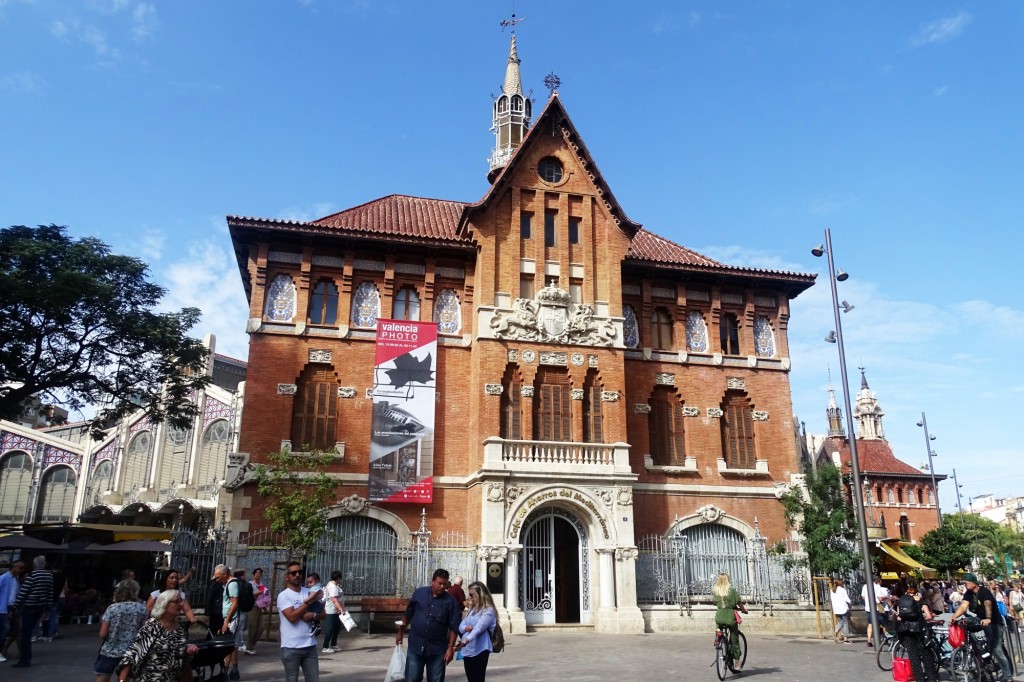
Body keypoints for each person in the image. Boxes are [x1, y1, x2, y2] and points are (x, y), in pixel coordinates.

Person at [116, 590, 199, 682]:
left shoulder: (180, 626)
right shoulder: (152, 626)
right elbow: (133, 655)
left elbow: (179, 654)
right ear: (165, 604)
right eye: (176, 601)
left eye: (181, 601)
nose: (181, 604)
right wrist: (122, 680)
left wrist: (188, 649)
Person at [397, 568, 462, 682]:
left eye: (444, 584)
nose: (442, 586)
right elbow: (408, 614)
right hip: (416, 646)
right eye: (439, 583)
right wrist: (400, 632)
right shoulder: (419, 593)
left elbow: (453, 626)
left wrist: (450, 648)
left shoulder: (450, 601)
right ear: (432, 581)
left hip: (438, 650)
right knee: (412, 679)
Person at [953, 573, 1013, 682]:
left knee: (997, 650)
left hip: (993, 622)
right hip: (980, 620)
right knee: (964, 623)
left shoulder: (984, 592)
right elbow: (963, 606)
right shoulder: (968, 593)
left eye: (966, 583)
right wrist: (954, 617)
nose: (964, 585)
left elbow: (988, 605)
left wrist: (988, 618)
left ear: (973, 583)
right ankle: (978, 649)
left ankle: (1008, 676)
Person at [95, 579, 148, 682]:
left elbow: (103, 634)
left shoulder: (112, 608)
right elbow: (144, 631)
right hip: (130, 652)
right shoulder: (142, 609)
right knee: (124, 679)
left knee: (102, 677)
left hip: (110, 650)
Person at [278, 561, 322, 682]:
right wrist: (308, 603)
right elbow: (292, 618)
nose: (297, 575)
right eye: (293, 573)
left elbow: (324, 614)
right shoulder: (283, 596)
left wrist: (312, 614)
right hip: (291, 647)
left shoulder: (308, 591)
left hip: (310, 646)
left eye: (300, 572)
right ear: (287, 576)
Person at [12, 555, 53, 668]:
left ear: (35, 565)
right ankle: (25, 658)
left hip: (29, 606)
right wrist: (47, 607)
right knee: (28, 631)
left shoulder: (32, 576)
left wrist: (16, 606)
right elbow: (50, 592)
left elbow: (24, 592)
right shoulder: (49, 576)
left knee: (25, 634)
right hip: (41, 607)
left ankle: (25, 659)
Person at [895, 579, 938, 682]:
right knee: (926, 653)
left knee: (913, 656)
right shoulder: (920, 600)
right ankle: (932, 677)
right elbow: (928, 616)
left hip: (906, 630)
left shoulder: (902, 600)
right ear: (916, 589)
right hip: (919, 629)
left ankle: (919, 678)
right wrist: (922, 618)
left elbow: (899, 617)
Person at [454, 581, 496, 682]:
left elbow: (478, 628)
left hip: (480, 649)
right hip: (469, 650)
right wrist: (466, 628)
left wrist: (464, 642)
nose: (471, 598)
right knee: (470, 678)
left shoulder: (488, 610)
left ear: (480, 594)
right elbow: (461, 626)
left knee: (478, 678)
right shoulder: (473, 609)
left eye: (472, 595)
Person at [712, 572, 748, 671]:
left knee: (719, 624)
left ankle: (718, 637)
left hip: (719, 617)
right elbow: (740, 603)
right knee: (734, 639)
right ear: (728, 580)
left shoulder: (715, 591)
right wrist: (744, 610)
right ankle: (737, 662)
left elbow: (715, 602)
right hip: (730, 618)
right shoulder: (732, 591)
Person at [213, 565, 241, 680]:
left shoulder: (232, 584)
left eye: (218, 577)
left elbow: (235, 603)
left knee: (227, 646)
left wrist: (226, 621)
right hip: (230, 619)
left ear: (225, 574)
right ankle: (234, 671)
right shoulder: (228, 584)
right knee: (232, 646)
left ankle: (225, 673)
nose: (217, 580)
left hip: (232, 620)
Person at [0, 560, 25, 662]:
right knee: (6, 628)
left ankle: (4, 650)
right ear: (14, 567)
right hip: (3, 608)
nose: (22, 570)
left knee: (14, 630)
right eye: (20, 568)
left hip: (12, 607)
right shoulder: (4, 578)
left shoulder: (16, 579)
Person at [244, 567, 271, 655]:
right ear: (253, 574)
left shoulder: (262, 585)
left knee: (261, 627)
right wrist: (257, 593)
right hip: (252, 607)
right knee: (252, 627)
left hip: (259, 608)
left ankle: (251, 645)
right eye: (256, 572)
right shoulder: (250, 584)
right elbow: (247, 594)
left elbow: (263, 598)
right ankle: (249, 647)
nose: (257, 574)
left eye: (259, 572)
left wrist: (264, 608)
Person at [321, 570, 348, 654]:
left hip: (335, 611)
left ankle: (333, 644)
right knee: (330, 628)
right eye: (340, 578)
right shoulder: (332, 587)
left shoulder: (334, 585)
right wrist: (341, 610)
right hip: (331, 611)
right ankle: (325, 646)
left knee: (336, 627)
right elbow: (334, 599)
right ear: (338, 578)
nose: (341, 580)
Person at [862, 575, 891, 646]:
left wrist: (868, 602)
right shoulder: (878, 587)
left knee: (870, 624)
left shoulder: (865, 586)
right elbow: (880, 598)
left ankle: (869, 640)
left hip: (869, 608)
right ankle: (888, 639)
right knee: (884, 624)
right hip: (879, 608)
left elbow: (863, 596)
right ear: (878, 580)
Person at [829, 578, 852, 643]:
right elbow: (847, 599)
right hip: (843, 608)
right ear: (841, 583)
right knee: (845, 623)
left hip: (836, 609)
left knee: (840, 622)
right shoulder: (842, 590)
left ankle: (835, 632)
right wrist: (850, 603)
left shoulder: (833, 590)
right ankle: (846, 639)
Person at [304, 573, 324, 638]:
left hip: (316, 605)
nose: (309, 585)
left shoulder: (315, 588)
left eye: (310, 582)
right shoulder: (318, 587)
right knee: (314, 617)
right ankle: (317, 626)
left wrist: (306, 600)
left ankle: (315, 627)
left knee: (309, 614)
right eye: (308, 583)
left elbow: (313, 594)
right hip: (319, 605)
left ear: (317, 581)